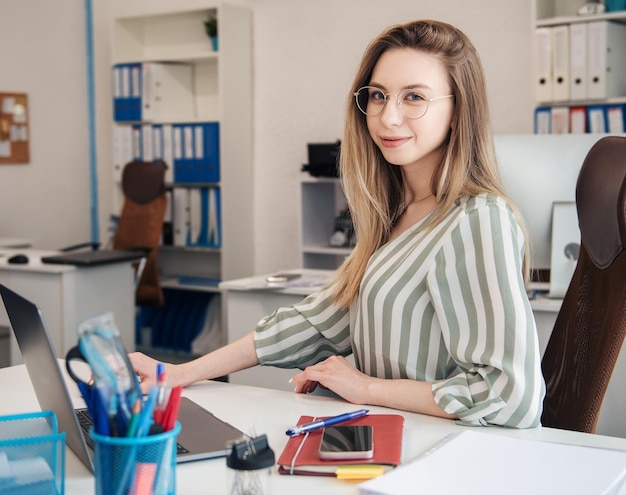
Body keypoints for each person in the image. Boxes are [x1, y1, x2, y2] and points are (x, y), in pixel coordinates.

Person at [130, 19, 545, 428]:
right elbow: (319, 320)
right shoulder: (396, 214)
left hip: (448, 460)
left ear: (458, 111)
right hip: (389, 441)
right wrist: (180, 374)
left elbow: (510, 395)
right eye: (378, 95)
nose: (388, 117)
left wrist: (365, 388)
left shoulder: (477, 219)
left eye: (414, 97)